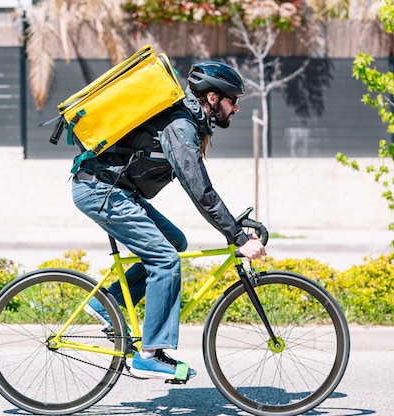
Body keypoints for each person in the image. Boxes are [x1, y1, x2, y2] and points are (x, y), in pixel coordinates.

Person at [71, 61, 267, 381]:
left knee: (175, 242)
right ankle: (148, 356)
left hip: (113, 190)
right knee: (165, 259)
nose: (238, 108)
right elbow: (200, 189)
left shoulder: (186, 122)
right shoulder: (181, 126)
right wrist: (239, 238)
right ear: (214, 99)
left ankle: (108, 305)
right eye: (234, 100)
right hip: (101, 190)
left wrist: (233, 229)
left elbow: (199, 188)